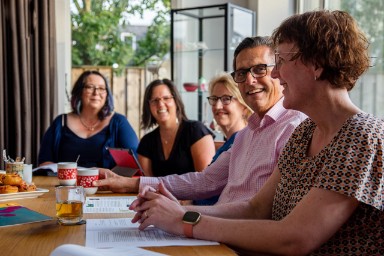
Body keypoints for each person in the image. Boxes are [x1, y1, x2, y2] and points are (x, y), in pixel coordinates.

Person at [132, 10, 384, 255]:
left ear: (315, 64)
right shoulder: (306, 132)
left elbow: (295, 239)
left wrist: (183, 221)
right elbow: (256, 208)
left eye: (282, 62)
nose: (275, 73)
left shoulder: (363, 136)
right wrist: (174, 211)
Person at [93, 36, 306, 205]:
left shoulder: (295, 127)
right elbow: (205, 181)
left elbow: (264, 215)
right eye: (241, 73)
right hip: (215, 232)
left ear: (278, 71)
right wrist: (131, 184)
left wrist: (184, 216)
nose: (249, 80)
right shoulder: (247, 133)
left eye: (260, 69)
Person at [38, 70, 139, 169]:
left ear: (107, 94)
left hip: (106, 185)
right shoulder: (61, 122)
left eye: (101, 88)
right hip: (66, 185)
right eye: (90, 87)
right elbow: (44, 162)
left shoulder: (119, 122)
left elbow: (134, 164)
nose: (96, 93)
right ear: (79, 91)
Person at [194, 72, 253, 205]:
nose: (218, 106)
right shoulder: (230, 142)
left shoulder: (242, 141)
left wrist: (190, 204)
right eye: (214, 99)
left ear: (243, 105)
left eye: (226, 99)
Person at [137, 79, 215, 176]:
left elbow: (206, 181)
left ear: (176, 101)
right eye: (155, 100)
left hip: (194, 191)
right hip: (155, 192)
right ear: (148, 106)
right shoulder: (146, 142)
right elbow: (146, 184)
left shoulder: (195, 131)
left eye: (166, 98)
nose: (160, 104)